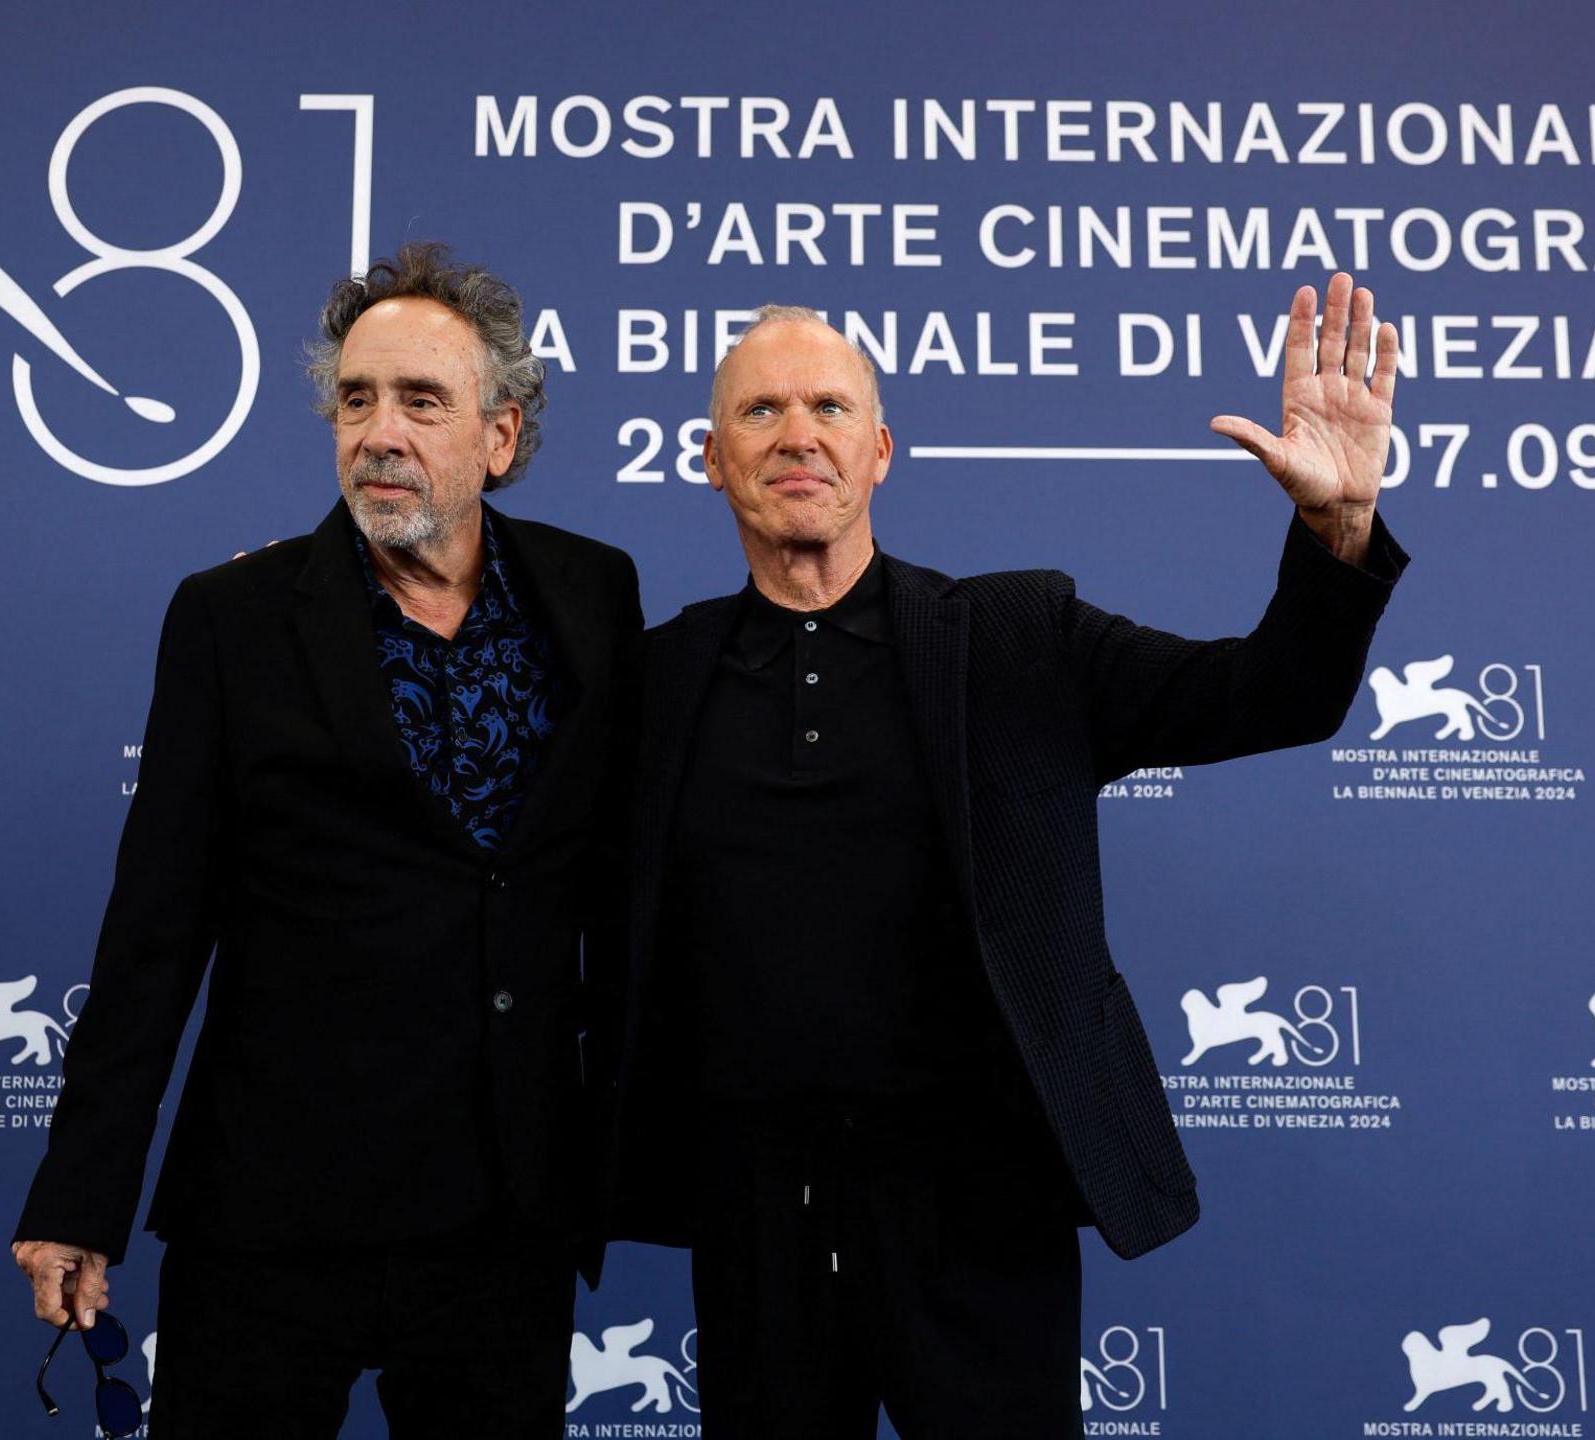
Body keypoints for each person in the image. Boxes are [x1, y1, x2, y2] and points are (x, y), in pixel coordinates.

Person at [601, 272, 1411, 1437]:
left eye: (828, 409)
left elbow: (1269, 696)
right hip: (758, 1211)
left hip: (981, 1205)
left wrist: (1335, 530)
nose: (797, 436)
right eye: (759, 412)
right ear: (710, 458)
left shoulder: (1017, 638)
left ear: (879, 452)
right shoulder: (656, 678)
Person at [12, 241, 643, 1437]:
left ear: (499, 437)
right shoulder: (231, 619)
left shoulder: (592, 595)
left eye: (421, 401)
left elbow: (620, 887)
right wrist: (81, 1193)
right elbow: (154, 929)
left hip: (505, 1217)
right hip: (273, 1209)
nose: (378, 433)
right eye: (355, 399)